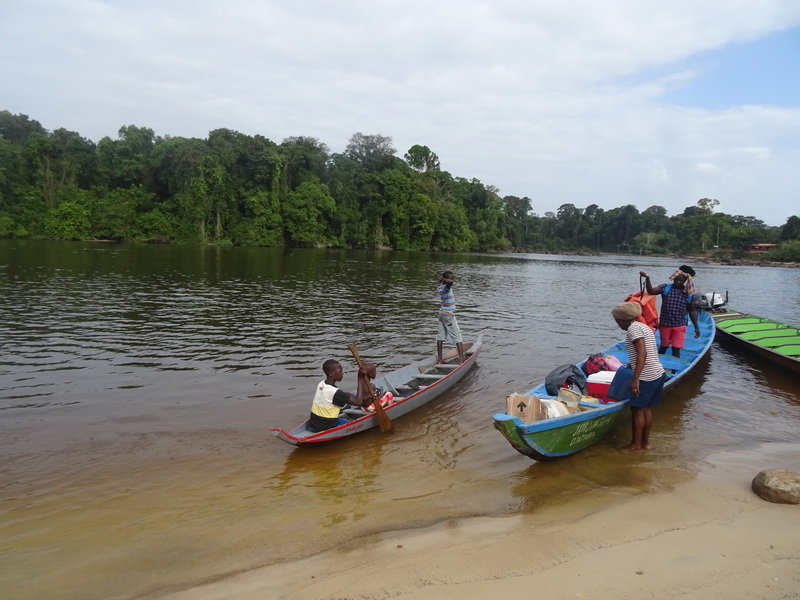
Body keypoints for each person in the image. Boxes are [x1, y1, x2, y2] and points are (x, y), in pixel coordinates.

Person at [611, 301, 666, 451]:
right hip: (658, 373)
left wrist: (635, 379)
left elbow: (642, 352)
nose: (618, 324)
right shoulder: (643, 326)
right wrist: (633, 364)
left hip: (646, 377)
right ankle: (645, 444)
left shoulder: (632, 330)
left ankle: (635, 445)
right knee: (647, 409)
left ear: (624, 320)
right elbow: (643, 351)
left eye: (617, 321)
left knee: (637, 410)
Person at [639, 265, 700, 358]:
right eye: (677, 279)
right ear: (674, 277)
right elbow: (651, 291)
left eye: (681, 280)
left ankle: (674, 370)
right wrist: (647, 278)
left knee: (676, 349)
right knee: (663, 347)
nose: (678, 281)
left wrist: (696, 327)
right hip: (665, 325)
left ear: (685, 281)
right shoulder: (665, 288)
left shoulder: (688, 293)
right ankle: (657, 367)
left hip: (679, 326)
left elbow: (692, 311)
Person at [308, 359, 373, 432]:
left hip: (313, 423)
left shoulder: (321, 384)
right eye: (340, 371)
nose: (342, 373)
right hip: (327, 426)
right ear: (331, 373)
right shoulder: (335, 392)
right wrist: (360, 378)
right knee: (349, 422)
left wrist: (348, 395)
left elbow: (336, 395)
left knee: (346, 400)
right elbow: (358, 402)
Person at [436, 271, 466, 363]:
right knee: (457, 336)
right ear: (445, 279)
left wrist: (443, 280)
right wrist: (444, 279)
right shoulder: (446, 287)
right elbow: (450, 283)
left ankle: (440, 359)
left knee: (440, 336)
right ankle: (461, 361)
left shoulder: (441, 287)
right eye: (451, 278)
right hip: (448, 314)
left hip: (442, 313)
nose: (452, 280)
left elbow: (449, 282)